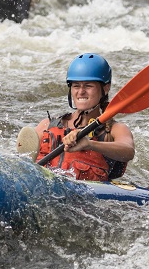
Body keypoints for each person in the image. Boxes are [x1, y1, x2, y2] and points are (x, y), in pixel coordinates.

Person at [33, 53, 135, 181]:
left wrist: (90, 144)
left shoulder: (115, 129)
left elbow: (128, 151)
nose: (81, 92)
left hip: (86, 199)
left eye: (88, 85)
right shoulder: (47, 125)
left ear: (106, 88)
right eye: (76, 86)